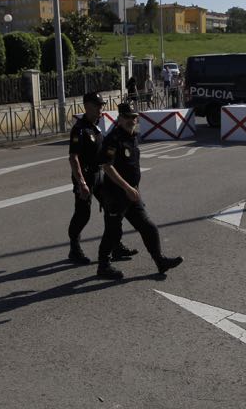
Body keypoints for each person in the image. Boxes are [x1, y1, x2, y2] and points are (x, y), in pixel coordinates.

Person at [95, 102, 183, 280]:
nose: (132, 120)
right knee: (113, 232)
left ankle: (160, 261)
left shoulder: (132, 136)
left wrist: (133, 189)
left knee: (148, 227)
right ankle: (103, 266)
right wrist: (127, 188)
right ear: (119, 118)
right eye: (127, 117)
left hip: (131, 194)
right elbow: (107, 167)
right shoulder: (113, 139)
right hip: (115, 194)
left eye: (134, 117)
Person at [66, 92, 138, 264]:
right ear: (87, 106)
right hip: (86, 177)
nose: (101, 109)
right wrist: (81, 183)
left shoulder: (96, 127)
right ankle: (74, 248)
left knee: (112, 210)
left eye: (101, 105)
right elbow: (73, 157)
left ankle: (116, 246)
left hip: (99, 175)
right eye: (98, 105)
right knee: (82, 214)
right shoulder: (80, 129)